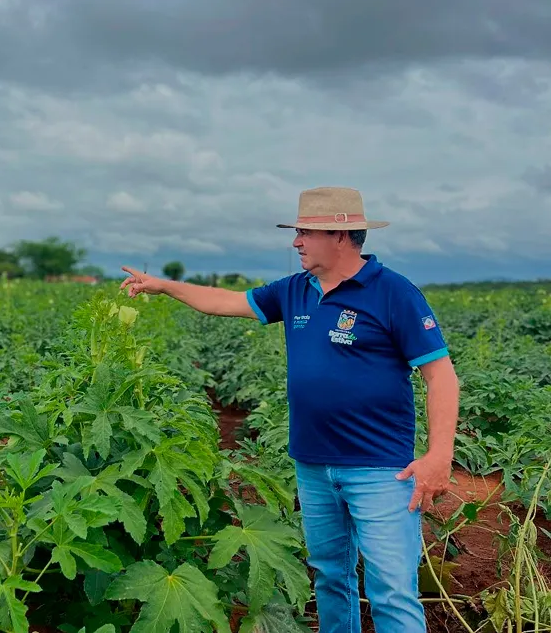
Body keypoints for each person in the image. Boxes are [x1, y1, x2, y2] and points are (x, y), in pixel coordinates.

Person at [120, 186, 459, 633]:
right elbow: (228, 301)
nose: (295, 242)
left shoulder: (393, 292)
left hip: (380, 469)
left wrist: (439, 456)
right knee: (331, 577)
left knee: (392, 589)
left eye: (304, 232)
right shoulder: (296, 290)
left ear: (339, 236)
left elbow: (441, 376)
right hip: (314, 465)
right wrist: (164, 287)